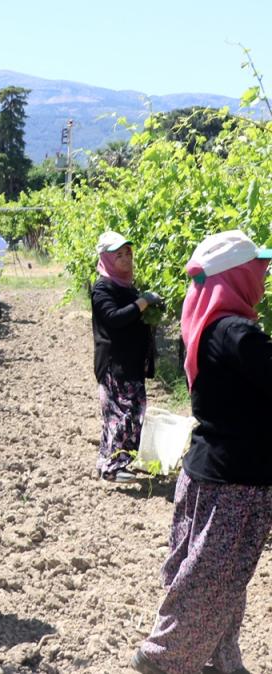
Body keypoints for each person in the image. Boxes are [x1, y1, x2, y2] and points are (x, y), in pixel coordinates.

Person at [131, 231, 272, 674]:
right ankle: (163, 657)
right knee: (212, 575)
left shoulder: (204, 326)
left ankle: (219, 658)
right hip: (238, 479)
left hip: (207, 469)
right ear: (237, 275)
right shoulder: (237, 332)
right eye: (258, 267)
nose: (264, 275)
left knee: (214, 572)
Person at [90, 231, 160, 483]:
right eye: (118, 255)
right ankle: (112, 466)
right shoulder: (102, 287)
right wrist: (142, 302)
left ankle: (113, 462)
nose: (125, 259)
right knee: (124, 414)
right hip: (115, 362)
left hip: (131, 361)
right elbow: (114, 318)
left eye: (128, 253)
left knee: (127, 412)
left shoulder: (126, 285)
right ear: (107, 259)